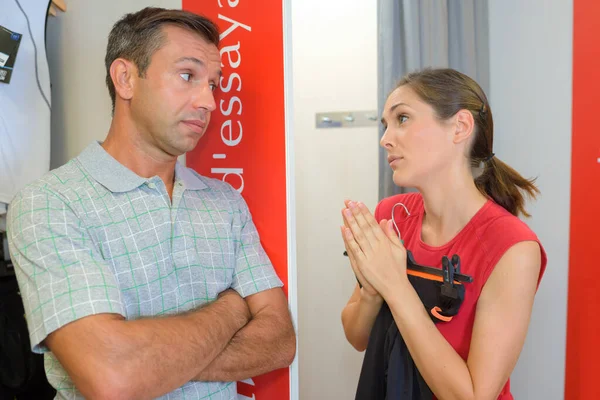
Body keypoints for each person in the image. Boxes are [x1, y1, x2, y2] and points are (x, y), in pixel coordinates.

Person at [6, 7, 295, 400]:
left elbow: (279, 341)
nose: (209, 101)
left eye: (214, 83)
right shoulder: (50, 204)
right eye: (188, 76)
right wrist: (233, 308)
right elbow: (112, 376)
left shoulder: (225, 202)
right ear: (125, 78)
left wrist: (154, 362)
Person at [340, 68, 546, 400]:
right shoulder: (391, 216)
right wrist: (371, 292)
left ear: (460, 127)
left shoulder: (513, 247)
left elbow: (474, 395)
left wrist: (394, 285)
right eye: (386, 125)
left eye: (402, 119)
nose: (386, 139)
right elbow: (356, 335)